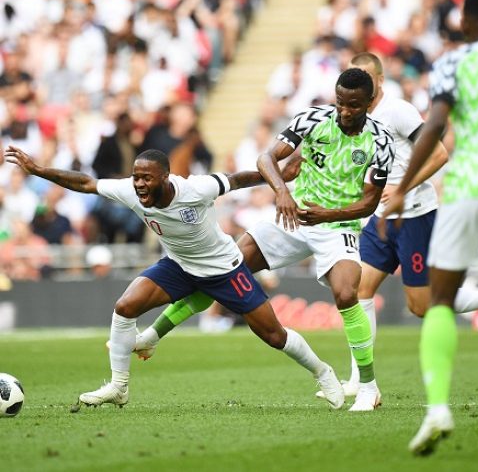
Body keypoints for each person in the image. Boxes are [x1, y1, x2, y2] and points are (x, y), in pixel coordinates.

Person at [130, 68, 396, 412]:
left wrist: (327, 215)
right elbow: (266, 158)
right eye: (340, 103)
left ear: (369, 103)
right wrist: (283, 193)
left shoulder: (380, 140)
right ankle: (153, 336)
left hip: (337, 224)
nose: (344, 112)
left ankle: (367, 387)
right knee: (222, 269)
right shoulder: (313, 119)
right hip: (294, 216)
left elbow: (369, 202)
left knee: (347, 294)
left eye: (354, 106)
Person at [5, 145, 344, 411]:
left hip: (224, 269)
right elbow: (85, 183)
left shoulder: (196, 189)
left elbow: (239, 179)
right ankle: (119, 386)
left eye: (147, 178)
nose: (139, 184)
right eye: (136, 177)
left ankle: (324, 373)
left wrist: (281, 176)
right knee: (126, 306)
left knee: (273, 335)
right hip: (179, 265)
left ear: (166, 177)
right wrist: (39, 170)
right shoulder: (130, 190)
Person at [324, 52, 478, 399]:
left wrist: (403, 188)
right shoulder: (354, 117)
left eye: (368, 79)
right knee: (357, 291)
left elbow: (439, 155)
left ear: (380, 81)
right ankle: (361, 379)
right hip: (381, 219)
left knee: (421, 305)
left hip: (416, 216)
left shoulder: (398, 111)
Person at [379, 0, 478, 456]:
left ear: (466, 22)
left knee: (441, 298)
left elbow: (434, 127)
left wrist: (403, 188)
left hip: (470, 186)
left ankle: (437, 409)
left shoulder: (454, 61)